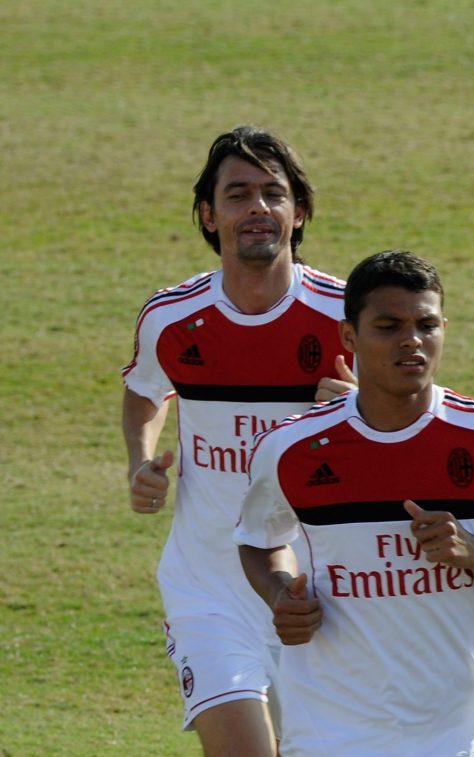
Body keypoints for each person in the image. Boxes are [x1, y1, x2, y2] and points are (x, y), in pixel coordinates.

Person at [234, 250, 474, 756]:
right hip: (325, 732)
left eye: (426, 324)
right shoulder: (291, 449)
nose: (411, 340)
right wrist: (279, 591)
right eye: (389, 326)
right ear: (349, 337)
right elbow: (256, 541)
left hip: (449, 736)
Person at [121, 125, 355, 756]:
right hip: (209, 590)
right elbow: (146, 391)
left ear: (297, 211)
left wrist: (354, 413)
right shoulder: (170, 318)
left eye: (273, 193)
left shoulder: (348, 317)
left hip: (317, 594)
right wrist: (143, 461)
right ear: (208, 212)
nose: (257, 207)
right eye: (238, 193)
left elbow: (405, 425)